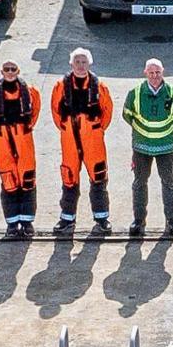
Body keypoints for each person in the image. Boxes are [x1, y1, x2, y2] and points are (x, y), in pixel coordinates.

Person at [51, 48, 116, 231]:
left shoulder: (100, 86)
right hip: (69, 139)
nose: (80, 65)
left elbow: (107, 111)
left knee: (98, 177)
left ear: (90, 64)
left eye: (84, 62)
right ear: (71, 64)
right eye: (77, 62)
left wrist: (95, 130)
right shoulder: (60, 86)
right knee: (69, 177)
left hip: (93, 140)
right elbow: (56, 111)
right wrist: (67, 130)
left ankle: (102, 218)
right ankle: (67, 218)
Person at [123, 57, 173, 232]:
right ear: (145, 73)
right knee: (139, 183)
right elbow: (127, 114)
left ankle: (171, 221)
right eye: (151, 73)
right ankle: (138, 221)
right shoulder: (134, 93)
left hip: (166, 147)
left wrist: (164, 132)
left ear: (163, 72)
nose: (154, 76)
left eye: (157, 72)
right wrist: (145, 132)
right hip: (141, 147)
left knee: (168, 182)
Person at [0, 59, 42, 234]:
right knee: (8, 180)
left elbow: (35, 113)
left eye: (13, 69)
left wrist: (22, 131)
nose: (10, 72)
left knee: (27, 179)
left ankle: (27, 222)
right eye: (6, 69)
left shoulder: (31, 92)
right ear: (1, 72)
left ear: (18, 71)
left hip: (24, 140)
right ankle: (11, 223)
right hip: (3, 140)